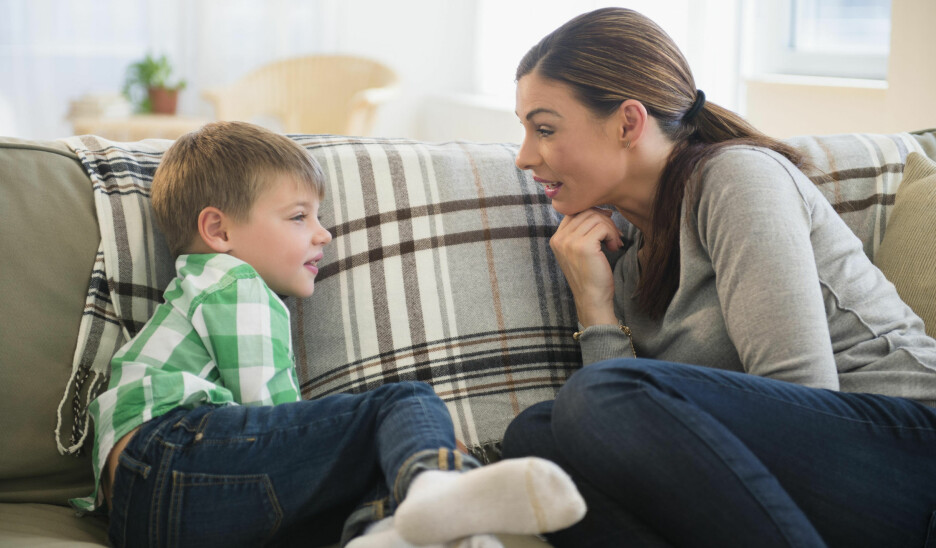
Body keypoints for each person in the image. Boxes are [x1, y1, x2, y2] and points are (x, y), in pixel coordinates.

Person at [503, 7, 936, 548]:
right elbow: (620, 449)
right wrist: (595, 306)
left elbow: (800, 401)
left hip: (908, 453)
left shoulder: (736, 177)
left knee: (600, 395)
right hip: (806, 486)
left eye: (544, 128)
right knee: (536, 439)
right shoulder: (627, 254)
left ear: (628, 123)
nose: (524, 157)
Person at [69, 121, 587, 547]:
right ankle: (438, 483)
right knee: (401, 402)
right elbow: (269, 411)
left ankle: (388, 533)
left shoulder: (204, 289)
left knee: (362, 474)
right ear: (219, 232)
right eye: (299, 217)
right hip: (170, 457)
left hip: (149, 515)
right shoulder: (231, 281)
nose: (324, 233)